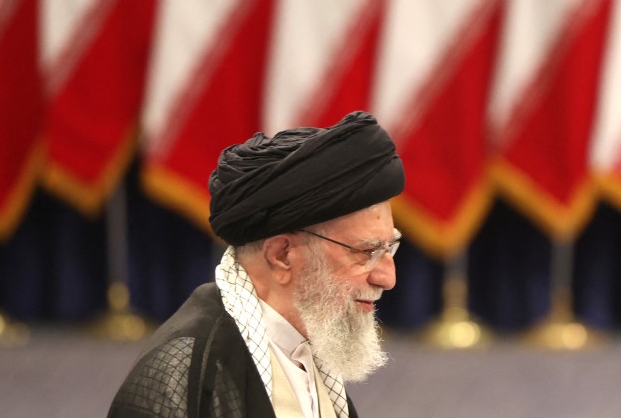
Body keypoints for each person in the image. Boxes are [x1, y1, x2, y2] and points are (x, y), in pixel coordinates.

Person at [108, 111, 404, 418]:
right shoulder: (184, 373)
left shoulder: (308, 342)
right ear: (282, 255)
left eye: (389, 248)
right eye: (366, 252)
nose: (388, 277)